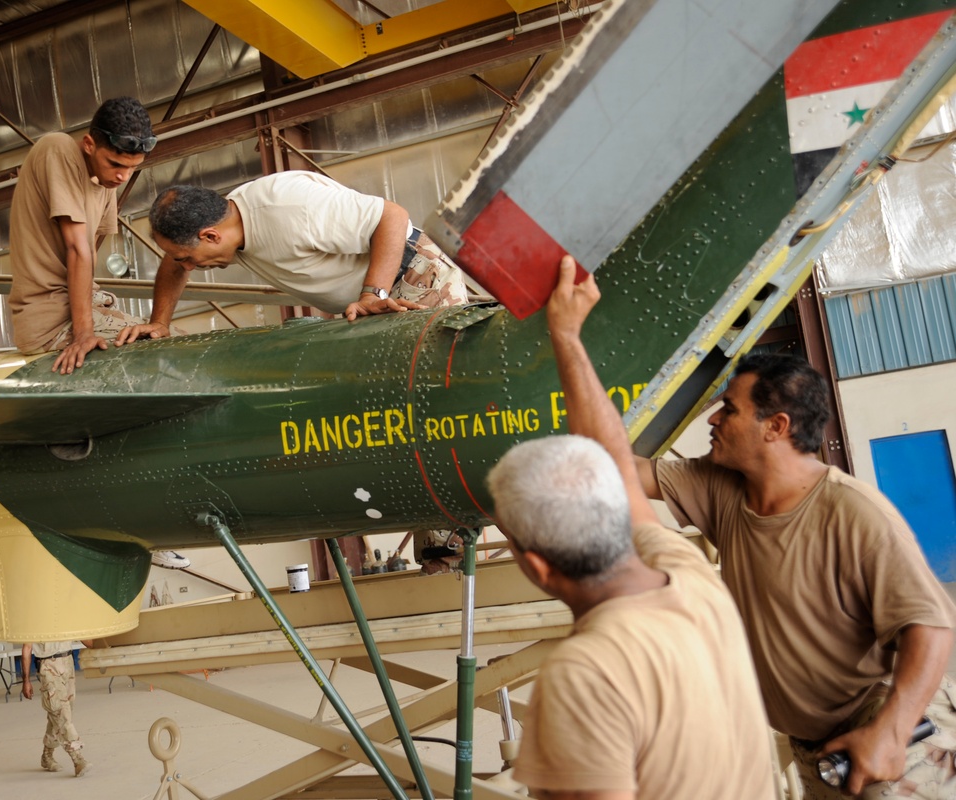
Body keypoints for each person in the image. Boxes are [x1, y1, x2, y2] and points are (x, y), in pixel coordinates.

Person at [486, 257, 778, 800]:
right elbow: (617, 462)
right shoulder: (691, 577)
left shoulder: (584, 674)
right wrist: (567, 337)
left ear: (537, 566)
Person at [630, 335, 956, 796]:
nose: (713, 418)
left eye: (729, 408)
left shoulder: (854, 513)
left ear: (775, 426)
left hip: (885, 727)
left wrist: (892, 731)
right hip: (815, 743)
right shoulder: (722, 489)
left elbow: (931, 625)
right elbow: (623, 471)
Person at [113, 172, 468, 345]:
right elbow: (173, 263)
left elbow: (391, 217)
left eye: (189, 258)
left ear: (210, 235)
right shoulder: (227, 227)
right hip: (366, 300)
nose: (186, 267)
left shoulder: (289, 209)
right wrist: (159, 323)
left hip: (414, 276)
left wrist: (373, 294)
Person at [9, 96, 156, 375]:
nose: (123, 176)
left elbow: (91, 248)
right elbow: (78, 250)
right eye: (115, 164)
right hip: (51, 321)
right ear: (89, 145)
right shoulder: (58, 149)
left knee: (169, 334)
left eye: (132, 167)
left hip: (85, 309)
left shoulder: (106, 180)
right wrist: (83, 335)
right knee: (164, 350)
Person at [21, 639, 94, 777]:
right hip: (48, 665)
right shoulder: (33, 618)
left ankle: (47, 756)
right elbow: (27, 647)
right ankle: (77, 758)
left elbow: (83, 635)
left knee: (60, 714)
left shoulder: (63, 617)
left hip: (68, 662)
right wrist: (26, 681)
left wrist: (106, 645)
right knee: (61, 713)